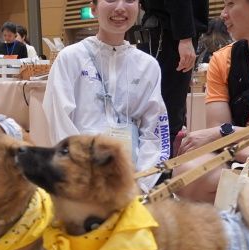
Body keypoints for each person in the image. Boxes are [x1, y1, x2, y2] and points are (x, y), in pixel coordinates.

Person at [43, 0, 169, 193]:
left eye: (129, 0)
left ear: (139, 7)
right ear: (93, 8)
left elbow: (154, 129)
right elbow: (59, 122)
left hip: (131, 180)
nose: (120, 7)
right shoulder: (70, 58)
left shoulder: (148, 65)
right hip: (81, 181)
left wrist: (142, 182)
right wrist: (79, 174)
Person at [174, 0, 249, 202]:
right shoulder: (222, 59)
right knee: (187, 172)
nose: (223, 14)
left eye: (230, 4)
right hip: (246, 157)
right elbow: (218, 133)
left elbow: (220, 132)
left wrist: (230, 132)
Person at [139, 0, 209, 154]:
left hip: (165, 28)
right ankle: (165, 163)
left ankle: (165, 159)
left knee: (170, 105)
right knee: (170, 105)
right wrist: (185, 37)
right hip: (169, 30)